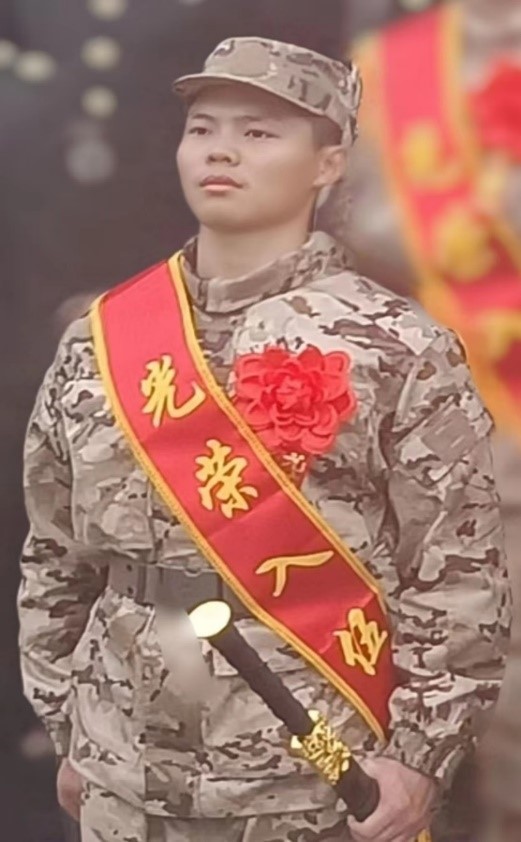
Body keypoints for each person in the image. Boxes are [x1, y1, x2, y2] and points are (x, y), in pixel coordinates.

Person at [18, 38, 510, 842]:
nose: (221, 150)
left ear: (328, 164)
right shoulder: (101, 338)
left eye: (258, 132)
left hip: (311, 774)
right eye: (203, 129)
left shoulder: (394, 345)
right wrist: (68, 722)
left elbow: (455, 576)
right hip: (122, 765)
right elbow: (55, 552)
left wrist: (418, 759)